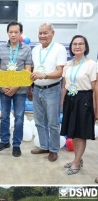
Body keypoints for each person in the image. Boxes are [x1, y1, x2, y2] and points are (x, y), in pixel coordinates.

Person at [0, 21, 32, 157]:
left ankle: (16, 144)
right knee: (4, 116)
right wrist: (2, 85)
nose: (13, 34)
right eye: (11, 32)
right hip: (3, 89)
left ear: (21, 33)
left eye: (16, 32)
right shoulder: (0, 48)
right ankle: (4, 141)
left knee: (19, 117)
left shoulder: (26, 49)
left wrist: (16, 87)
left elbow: (27, 71)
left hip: (20, 91)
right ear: (8, 32)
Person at [30, 23, 67, 162]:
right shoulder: (35, 49)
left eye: (46, 33)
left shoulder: (59, 49)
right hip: (37, 89)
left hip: (52, 89)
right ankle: (44, 146)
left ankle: (54, 149)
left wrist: (44, 75)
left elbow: (60, 71)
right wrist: (30, 87)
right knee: (39, 121)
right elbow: (33, 71)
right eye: (40, 33)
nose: (42, 35)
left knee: (53, 122)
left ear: (53, 33)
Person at [60, 35, 96, 175]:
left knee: (81, 133)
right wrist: (62, 102)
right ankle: (77, 159)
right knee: (73, 133)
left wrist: (95, 107)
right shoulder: (68, 65)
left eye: (81, 44)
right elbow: (64, 85)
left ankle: (76, 162)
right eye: (75, 44)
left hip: (84, 99)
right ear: (71, 47)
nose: (77, 46)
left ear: (85, 47)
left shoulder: (91, 64)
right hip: (70, 98)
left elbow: (95, 87)